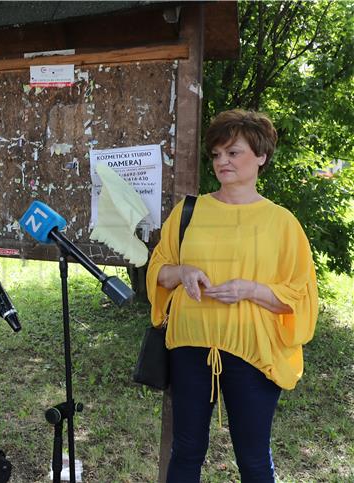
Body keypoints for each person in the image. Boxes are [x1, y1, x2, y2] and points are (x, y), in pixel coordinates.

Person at [146, 109, 318, 482]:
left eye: (233, 152)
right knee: (186, 450)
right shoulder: (189, 211)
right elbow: (158, 272)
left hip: (253, 352)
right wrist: (183, 272)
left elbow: (300, 296)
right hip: (190, 347)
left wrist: (251, 291)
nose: (222, 161)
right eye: (217, 154)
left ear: (261, 156)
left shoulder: (282, 223)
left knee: (253, 458)